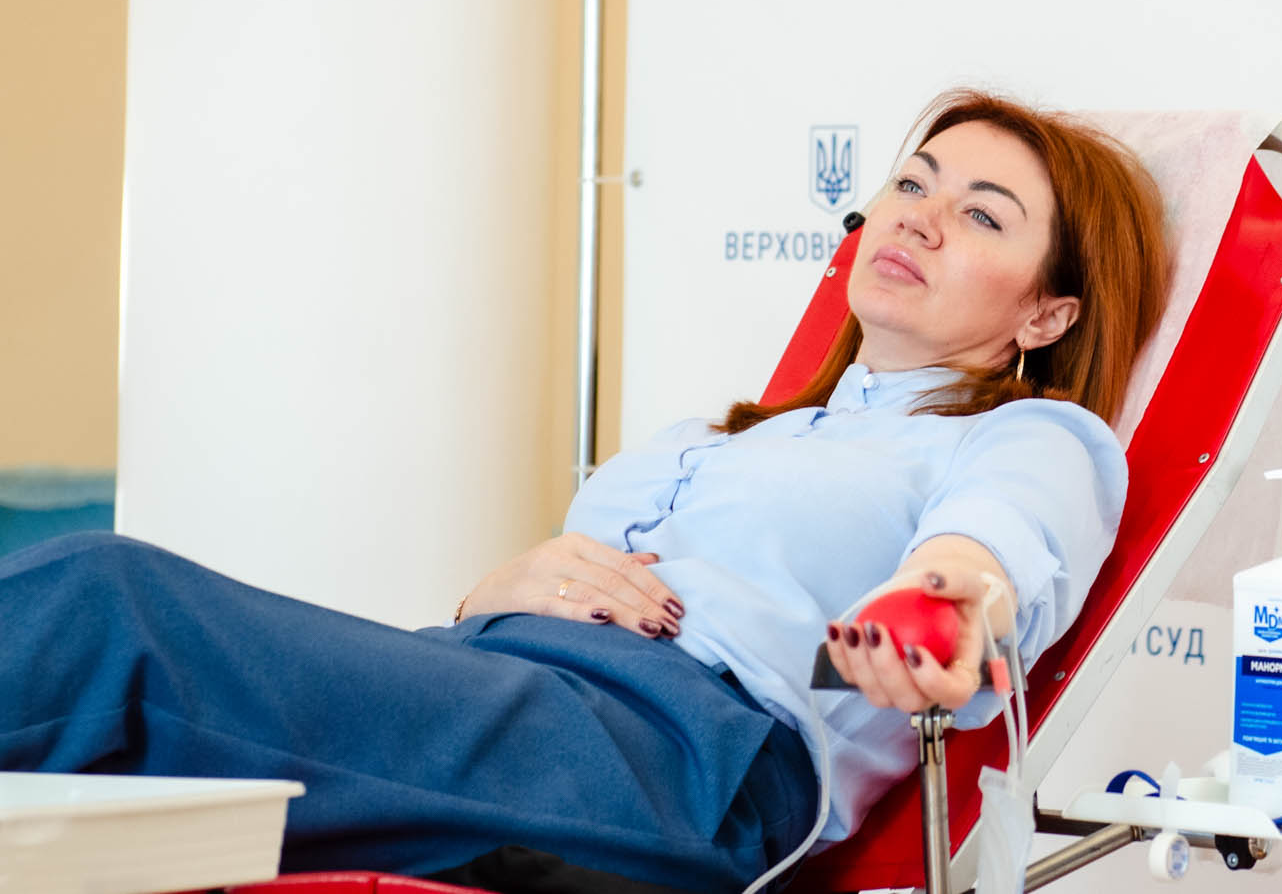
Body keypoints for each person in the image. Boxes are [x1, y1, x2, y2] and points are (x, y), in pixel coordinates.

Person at [0, 90, 1170, 894]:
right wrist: (492, 588)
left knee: (112, 608)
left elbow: (989, 554)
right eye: (912, 180)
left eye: (979, 212)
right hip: (510, 696)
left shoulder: (1026, 435)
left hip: (671, 761)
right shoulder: (724, 434)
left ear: (1046, 312)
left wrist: (936, 608)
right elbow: (558, 586)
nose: (916, 212)